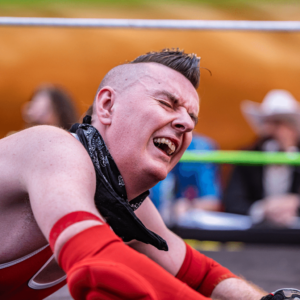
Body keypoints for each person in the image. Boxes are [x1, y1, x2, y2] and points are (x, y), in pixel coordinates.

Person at [0, 49, 267, 300]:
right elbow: (97, 265)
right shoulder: (53, 148)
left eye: (191, 118)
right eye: (166, 103)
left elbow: (204, 276)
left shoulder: (125, 204)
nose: (186, 124)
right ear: (106, 105)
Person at [223, 89, 300, 228]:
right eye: (268, 123)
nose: (271, 130)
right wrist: (262, 209)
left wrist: (295, 203)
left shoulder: (297, 159)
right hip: (257, 237)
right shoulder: (248, 158)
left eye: (279, 124)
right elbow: (232, 202)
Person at [150, 133, 221, 224]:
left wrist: (189, 206)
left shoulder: (199, 148)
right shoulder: (146, 146)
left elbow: (212, 202)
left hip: (179, 225)